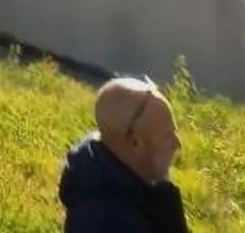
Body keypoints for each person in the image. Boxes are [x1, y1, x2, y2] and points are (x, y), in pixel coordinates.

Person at [59, 77, 188, 233]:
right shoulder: (113, 223)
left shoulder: (100, 167)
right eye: (167, 136)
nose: (177, 144)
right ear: (135, 143)